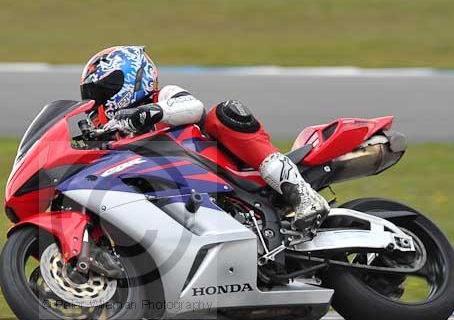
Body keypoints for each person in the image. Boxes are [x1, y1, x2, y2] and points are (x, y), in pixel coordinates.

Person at [80, 45, 329, 231]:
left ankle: (300, 192)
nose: (98, 100)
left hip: (227, 173)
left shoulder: (162, 97)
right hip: (184, 203)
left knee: (224, 113)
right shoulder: (117, 136)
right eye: (92, 94)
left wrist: (151, 112)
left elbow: (194, 107)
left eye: (104, 90)